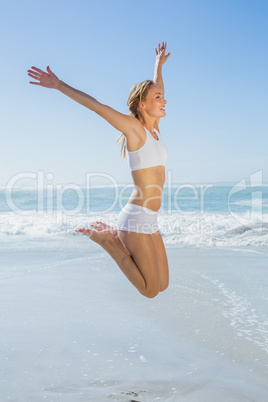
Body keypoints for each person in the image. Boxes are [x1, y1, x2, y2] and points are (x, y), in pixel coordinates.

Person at [28, 42, 171, 298]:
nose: (164, 100)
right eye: (158, 97)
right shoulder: (134, 129)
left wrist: (157, 67)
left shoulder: (155, 129)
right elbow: (96, 105)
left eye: (162, 96)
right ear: (141, 104)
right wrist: (59, 85)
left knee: (163, 285)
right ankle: (109, 242)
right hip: (136, 217)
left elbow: (156, 90)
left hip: (151, 220)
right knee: (150, 290)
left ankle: (114, 236)